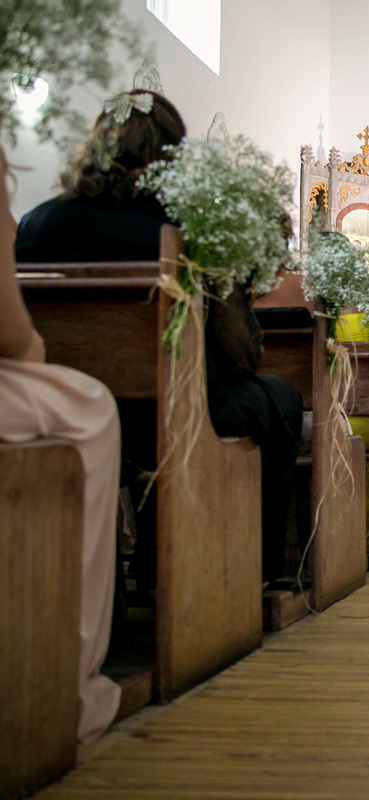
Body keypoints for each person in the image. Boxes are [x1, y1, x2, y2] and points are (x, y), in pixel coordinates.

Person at [16, 92, 302, 585]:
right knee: (280, 398)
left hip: (63, 411)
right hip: (175, 415)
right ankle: (256, 573)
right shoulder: (187, 226)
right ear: (172, 155)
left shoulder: (38, 223)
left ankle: (150, 560)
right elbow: (239, 352)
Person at [1, 145, 123, 743]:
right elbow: (16, 337)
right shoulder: (163, 226)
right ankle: (68, 675)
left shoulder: (41, 220)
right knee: (92, 411)